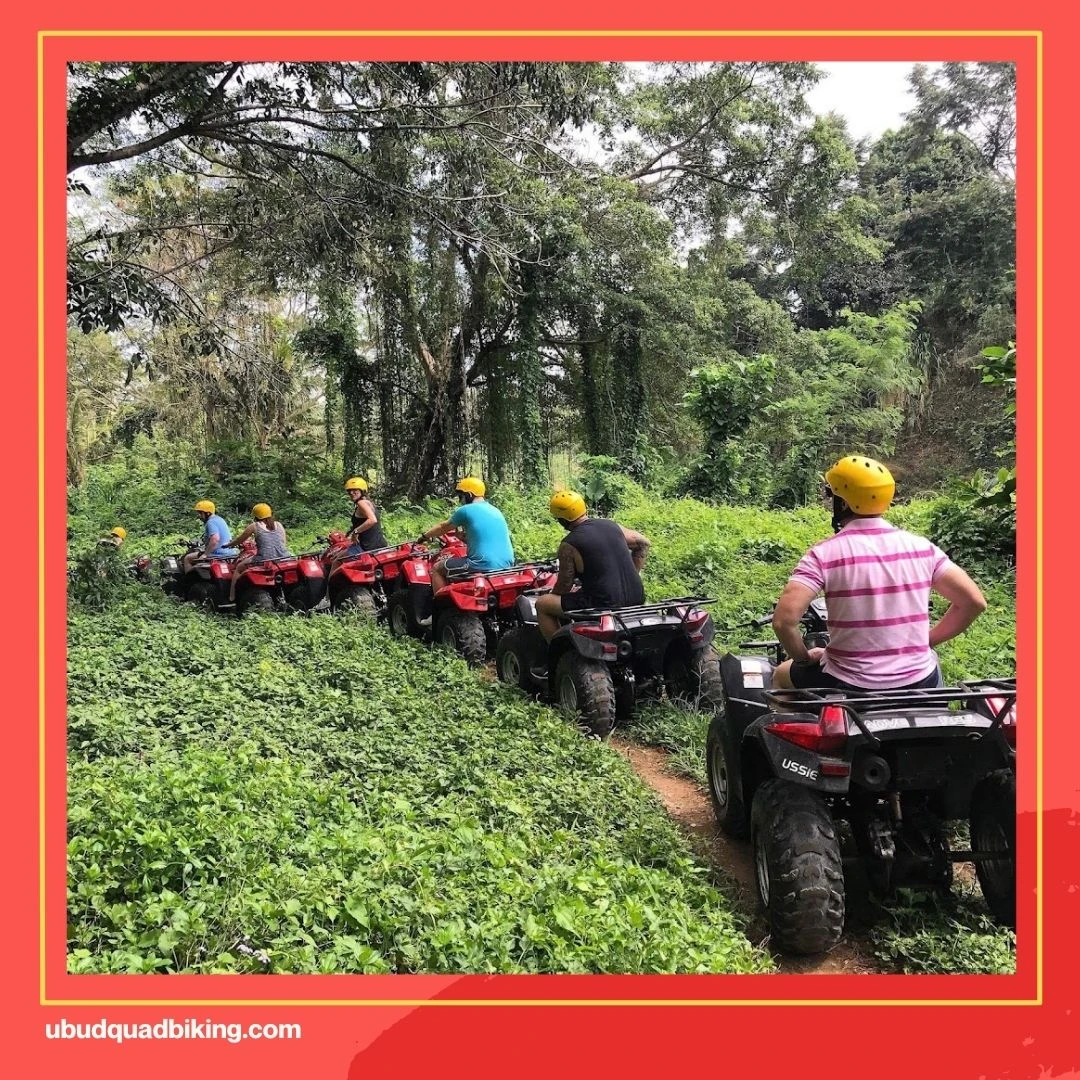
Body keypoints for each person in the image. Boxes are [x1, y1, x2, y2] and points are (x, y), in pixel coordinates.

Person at [771, 454, 987, 693]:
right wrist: (927, 641)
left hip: (849, 683)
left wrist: (804, 659)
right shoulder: (922, 548)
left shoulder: (824, 554)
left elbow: (783, 621)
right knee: (932, 664)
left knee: (781, 676)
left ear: (843, 503)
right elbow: (973, 602)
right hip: (920, 680)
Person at [535, 490, 651, 641]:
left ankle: (558, 652)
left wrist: (552, 594)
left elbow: (564, 586)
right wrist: (634, 572)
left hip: (602, 604)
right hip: (637, 596)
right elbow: (644, 543)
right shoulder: (611, 525)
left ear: (561, 520)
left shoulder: (569, 544)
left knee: (542, 605)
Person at [418, 477, 514, 594]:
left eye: (461, 496)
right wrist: (464, 539)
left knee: (437, 568)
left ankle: (440, 607)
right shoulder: (495, 510)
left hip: (481, 564)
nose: (460, 501)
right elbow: (484, 540)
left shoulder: (466, 510)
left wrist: (424, 536)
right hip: (507, 563)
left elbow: (443, 527)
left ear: (469, 494)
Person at [226, 503, 292, 603]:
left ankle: (232, 597)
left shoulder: (255, 526)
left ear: (256, 516)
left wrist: (229, 545)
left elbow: (240, 540)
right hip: (283, 557)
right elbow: (283, 543)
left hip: (263, 558)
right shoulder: (279, 525)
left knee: (238, 569)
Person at [329, 476, 387, 571]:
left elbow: (372, 520)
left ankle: (329, 586)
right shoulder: (369, 502)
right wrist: (349, 533)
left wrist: (355, 532)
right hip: (380, 544)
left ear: (362, 490)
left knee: (337, 561)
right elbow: (361, 522)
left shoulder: (361, 503)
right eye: (349, 491)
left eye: (354, 490)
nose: (351, 493)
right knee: (340, 553)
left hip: (366, 547)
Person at [182, 500, 238, 574]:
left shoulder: (210, 522)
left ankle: (188, 581)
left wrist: (205, 554)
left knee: (187, 558)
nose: (199, 516)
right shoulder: (220, 519)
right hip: (229, 553)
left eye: (200, 513)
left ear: (207, 513)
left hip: (217, 553)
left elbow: (215, 539)